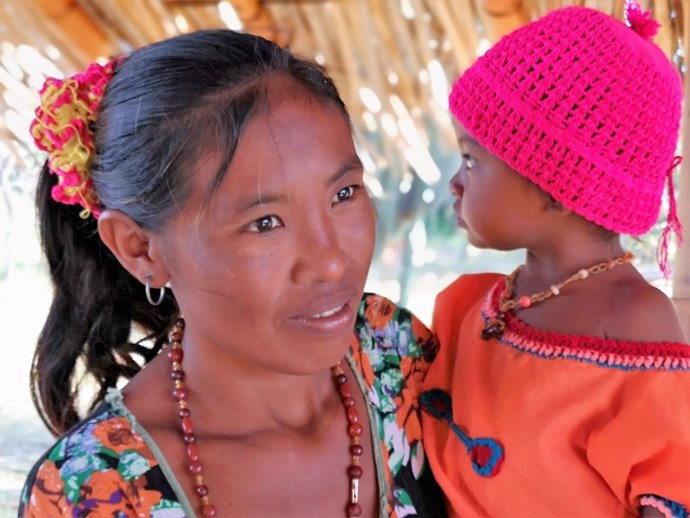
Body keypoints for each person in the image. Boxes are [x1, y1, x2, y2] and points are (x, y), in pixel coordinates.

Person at [19, 30, 447, 518]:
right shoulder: (97, 492)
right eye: (265, 223)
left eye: (344, 194)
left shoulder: (393, 356)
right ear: (141, 250)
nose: (331, 261)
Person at [420, 4, 690, 517]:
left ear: (558, 187)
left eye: (472, 160)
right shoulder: (470, 310)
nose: (455, 183)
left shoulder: (634, 322)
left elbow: (670, 489)